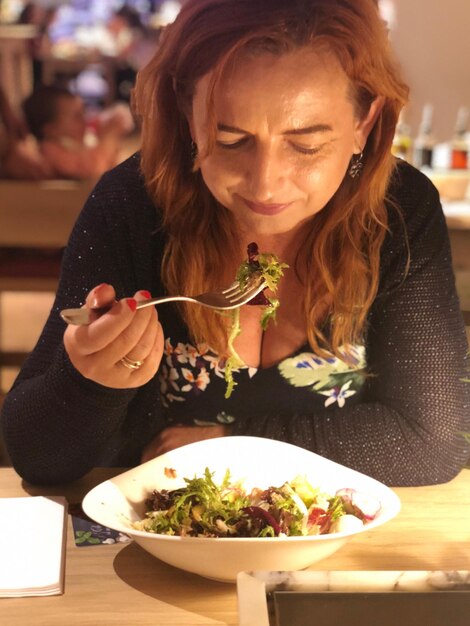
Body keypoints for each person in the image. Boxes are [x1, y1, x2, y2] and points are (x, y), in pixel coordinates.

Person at [1, 0, 469, 487]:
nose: (265, 185)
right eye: (229, 140)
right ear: (188, 112)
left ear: (364, 123)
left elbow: (434, 439)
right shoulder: (133, 204)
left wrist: (232, 442)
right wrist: (90, 382)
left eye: (306, 144)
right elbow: (35, 457)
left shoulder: (397, 212)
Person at [22, 85, 133, 179]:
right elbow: (94, 172)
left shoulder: (78, 143)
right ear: (51, 130)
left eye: (83, 113)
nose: (84, 120)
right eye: (77, 116)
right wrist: (109, 137)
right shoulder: (49, 150)